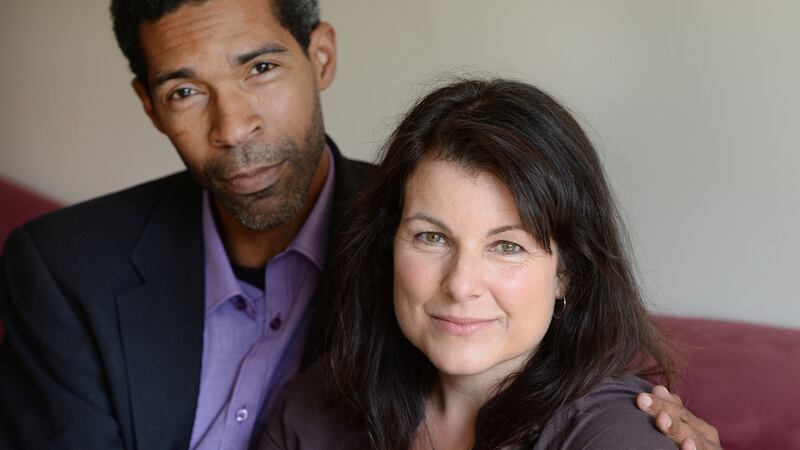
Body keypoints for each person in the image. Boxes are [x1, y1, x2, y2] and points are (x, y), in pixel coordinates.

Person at [0, 0, 718, 449]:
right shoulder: (61, 266)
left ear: (321, 57)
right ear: (150, 105)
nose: (233, 126)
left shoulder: (421, 208)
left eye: (258, 69)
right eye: (186, 90)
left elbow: (585, 370)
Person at [263, 79, 716, 449]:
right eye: (432, 237)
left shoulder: (617, 436)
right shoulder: (318, 406)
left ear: (567, 272)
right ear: (389, 248)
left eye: (507, 247)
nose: (461, 285)